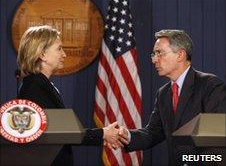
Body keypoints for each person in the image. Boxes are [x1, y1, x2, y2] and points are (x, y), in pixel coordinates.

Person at [117, 29, 226, 165]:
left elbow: (217, 141)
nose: (154, 59)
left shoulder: (210, 85)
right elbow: (152, 133)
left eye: (159, 53)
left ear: (180, 55)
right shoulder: (163, 93)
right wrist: (126, 135)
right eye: (154, 54)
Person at [17, 25, 122, 166]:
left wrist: (103, 136)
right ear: (42, 54)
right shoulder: (34, 87)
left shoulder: (40, 84)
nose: (64, 54)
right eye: (59, 48)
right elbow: (62, 132)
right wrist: (103, 134)